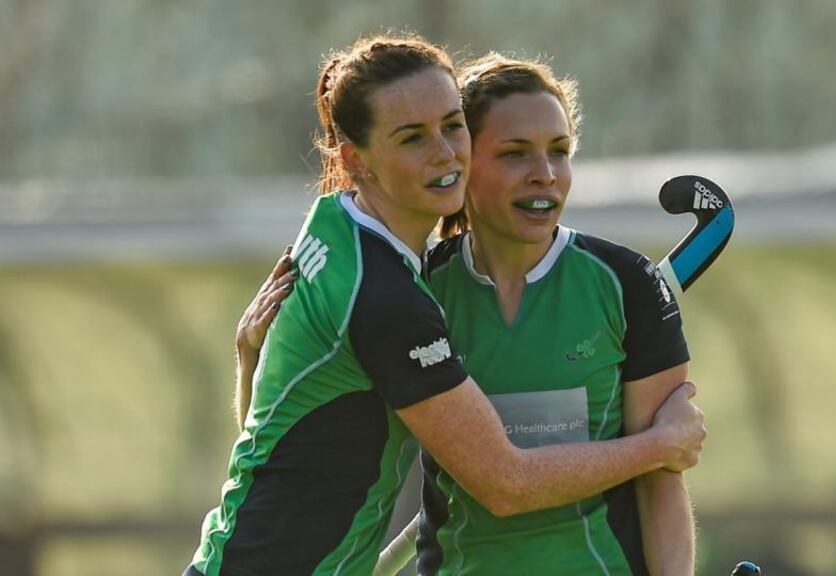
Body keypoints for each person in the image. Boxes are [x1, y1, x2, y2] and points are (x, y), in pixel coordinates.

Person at [186, 35, 705, 576]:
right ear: (355, 159)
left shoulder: (333, 228)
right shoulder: (397, 295)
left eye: (451, 127)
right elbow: (507, 483)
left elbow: (290, 442)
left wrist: (254, 360)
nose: (443, 152)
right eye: (412, 138)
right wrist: (661, 444)